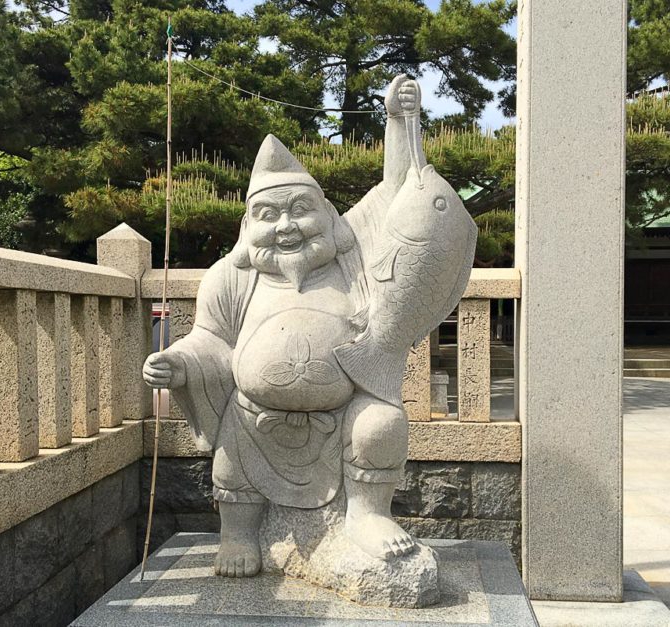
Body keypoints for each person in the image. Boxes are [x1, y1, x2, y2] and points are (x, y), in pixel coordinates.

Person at [144, 76, 451, 577]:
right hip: (254, 421)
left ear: (327, 215)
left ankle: (367, 513)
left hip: (344, 412)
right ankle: (239, 533)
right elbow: (210, 339)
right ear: (248, 227)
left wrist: (399, 120)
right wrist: (177, 362)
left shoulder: (352, 255)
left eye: (299, 211)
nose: (285, 226)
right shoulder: (231, 276)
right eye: (268, 215)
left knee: (382, 423)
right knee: (231, 455)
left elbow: (399, 195)